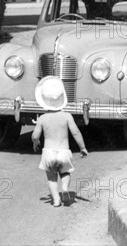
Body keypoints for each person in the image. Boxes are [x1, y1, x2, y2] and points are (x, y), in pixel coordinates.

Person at [32, 76, 88, 207]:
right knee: (65, 173)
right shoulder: (67, 116)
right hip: (64, 152)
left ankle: (56, 199)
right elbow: (76, 132)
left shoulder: (42, 118)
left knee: (51, 178)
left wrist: (35, 142)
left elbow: (35, 135)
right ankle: (65, 188)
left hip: (49, 153)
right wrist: (82, 147)